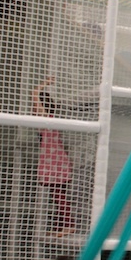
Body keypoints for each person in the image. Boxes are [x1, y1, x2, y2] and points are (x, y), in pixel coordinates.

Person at [32, 76, 74, 237]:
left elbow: (34, 94)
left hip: (55, 163)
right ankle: (61, 226)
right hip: (56, 161)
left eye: (36, 107)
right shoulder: (48, 121)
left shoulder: (47, 120)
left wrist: (44, 84)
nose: (34, 109)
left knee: (58, 195)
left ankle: (68, 225)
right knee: (57, 195)